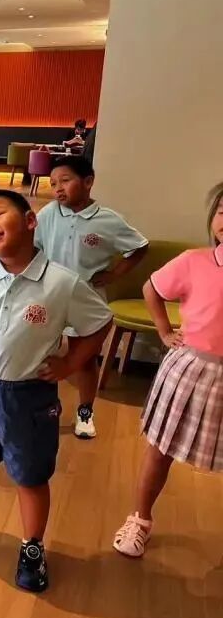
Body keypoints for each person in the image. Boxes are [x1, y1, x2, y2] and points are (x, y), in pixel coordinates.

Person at [0, 189, 112, 593]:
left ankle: (32, 546)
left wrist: (69, 364)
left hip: (29, 396)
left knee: (30, 476)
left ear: (30, 221)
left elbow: (99, 322)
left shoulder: (61, 282)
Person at [113, 182, 223, 558]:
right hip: (191, 367)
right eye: (221, 211)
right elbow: (152, 288)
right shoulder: (195, 260)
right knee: (161, 448)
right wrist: (163, 331)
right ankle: (140, 519)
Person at [35, 155, 148, 439]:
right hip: (48, 294)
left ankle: (85, 411)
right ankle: (42, 409)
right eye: (53, 183)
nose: (58, 188)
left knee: (84, 358)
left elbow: (139, 247)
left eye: (65, 181)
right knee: (40, 354)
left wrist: (114, 274)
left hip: (86, 297)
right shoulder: (48, 214)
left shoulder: (108, 220)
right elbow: (33, 247)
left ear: (88, 182)